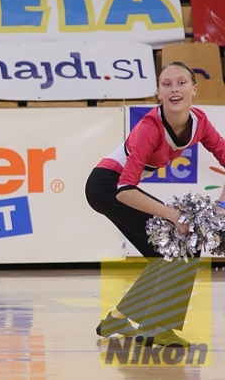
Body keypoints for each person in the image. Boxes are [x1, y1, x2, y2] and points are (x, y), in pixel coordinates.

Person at [85, 61, 225, 347]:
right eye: (166, 84)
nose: (174, 89)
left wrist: (220, 209)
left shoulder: (200, 122)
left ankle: (119, 319)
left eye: (181, 83)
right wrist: (175, 216)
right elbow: (124, 190)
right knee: (180, 241)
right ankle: (158, 327)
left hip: (116, 188)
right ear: (158, 93)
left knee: (169, 253)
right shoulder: (149, 128)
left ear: (194, 89)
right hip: (106, 187)